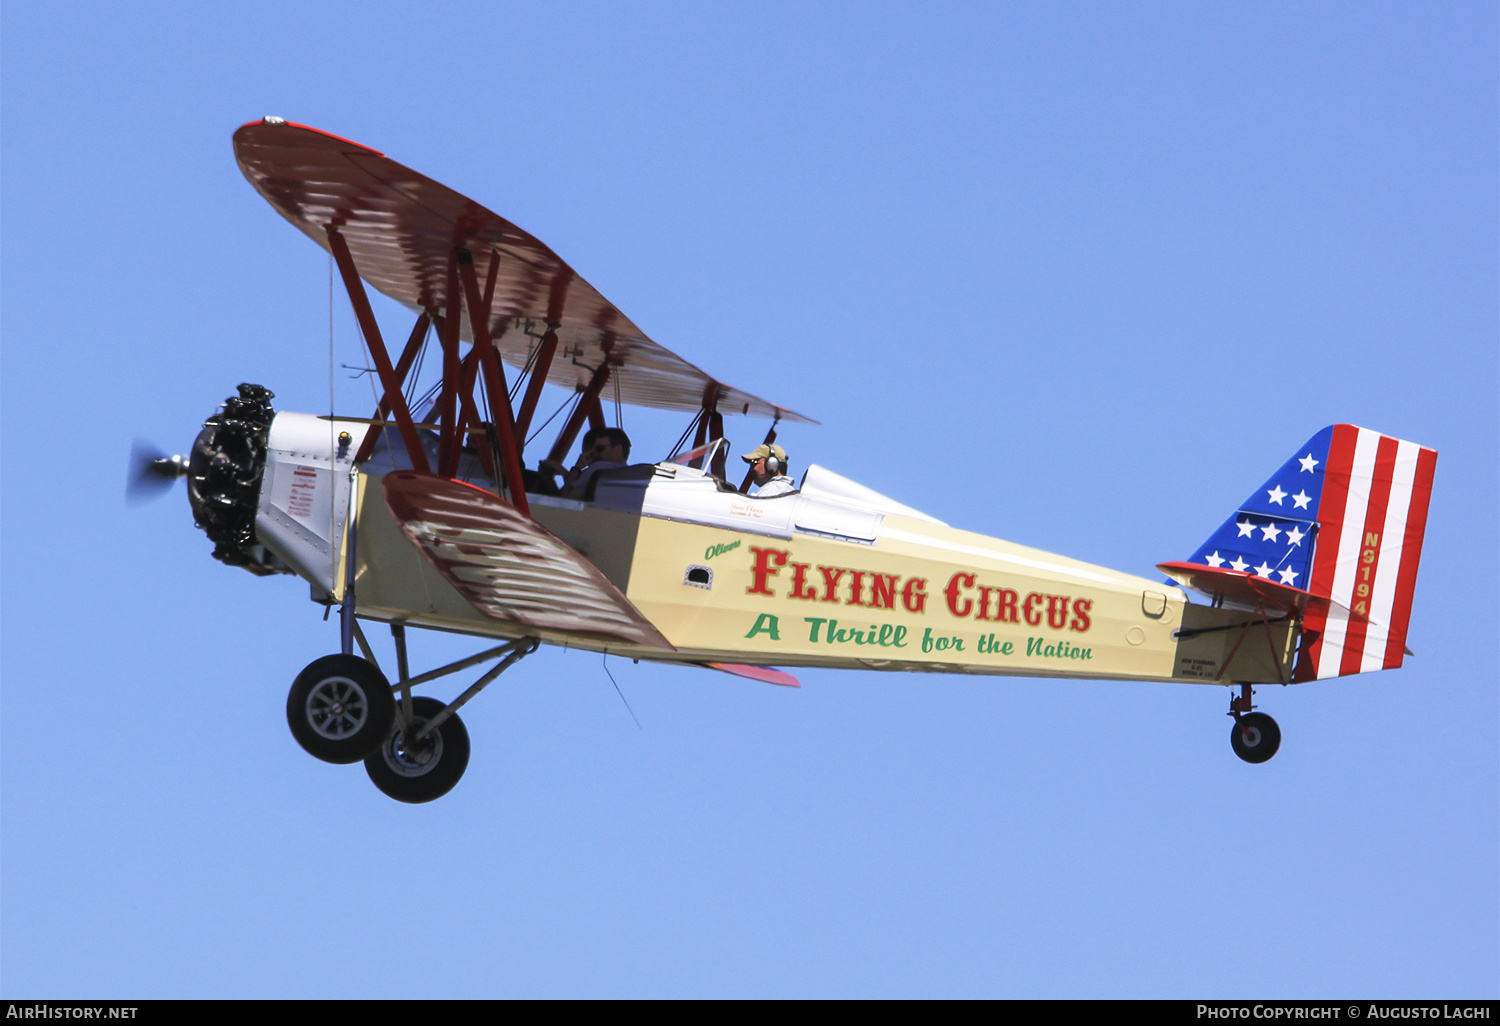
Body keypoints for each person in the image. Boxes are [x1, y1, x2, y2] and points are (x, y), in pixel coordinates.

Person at [539, 427, 632, 499]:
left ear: (618, 449)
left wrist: (577, 468)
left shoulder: (598, 469)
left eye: (599, 449)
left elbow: (565, 499)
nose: (594, 454)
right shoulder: (629, 475)